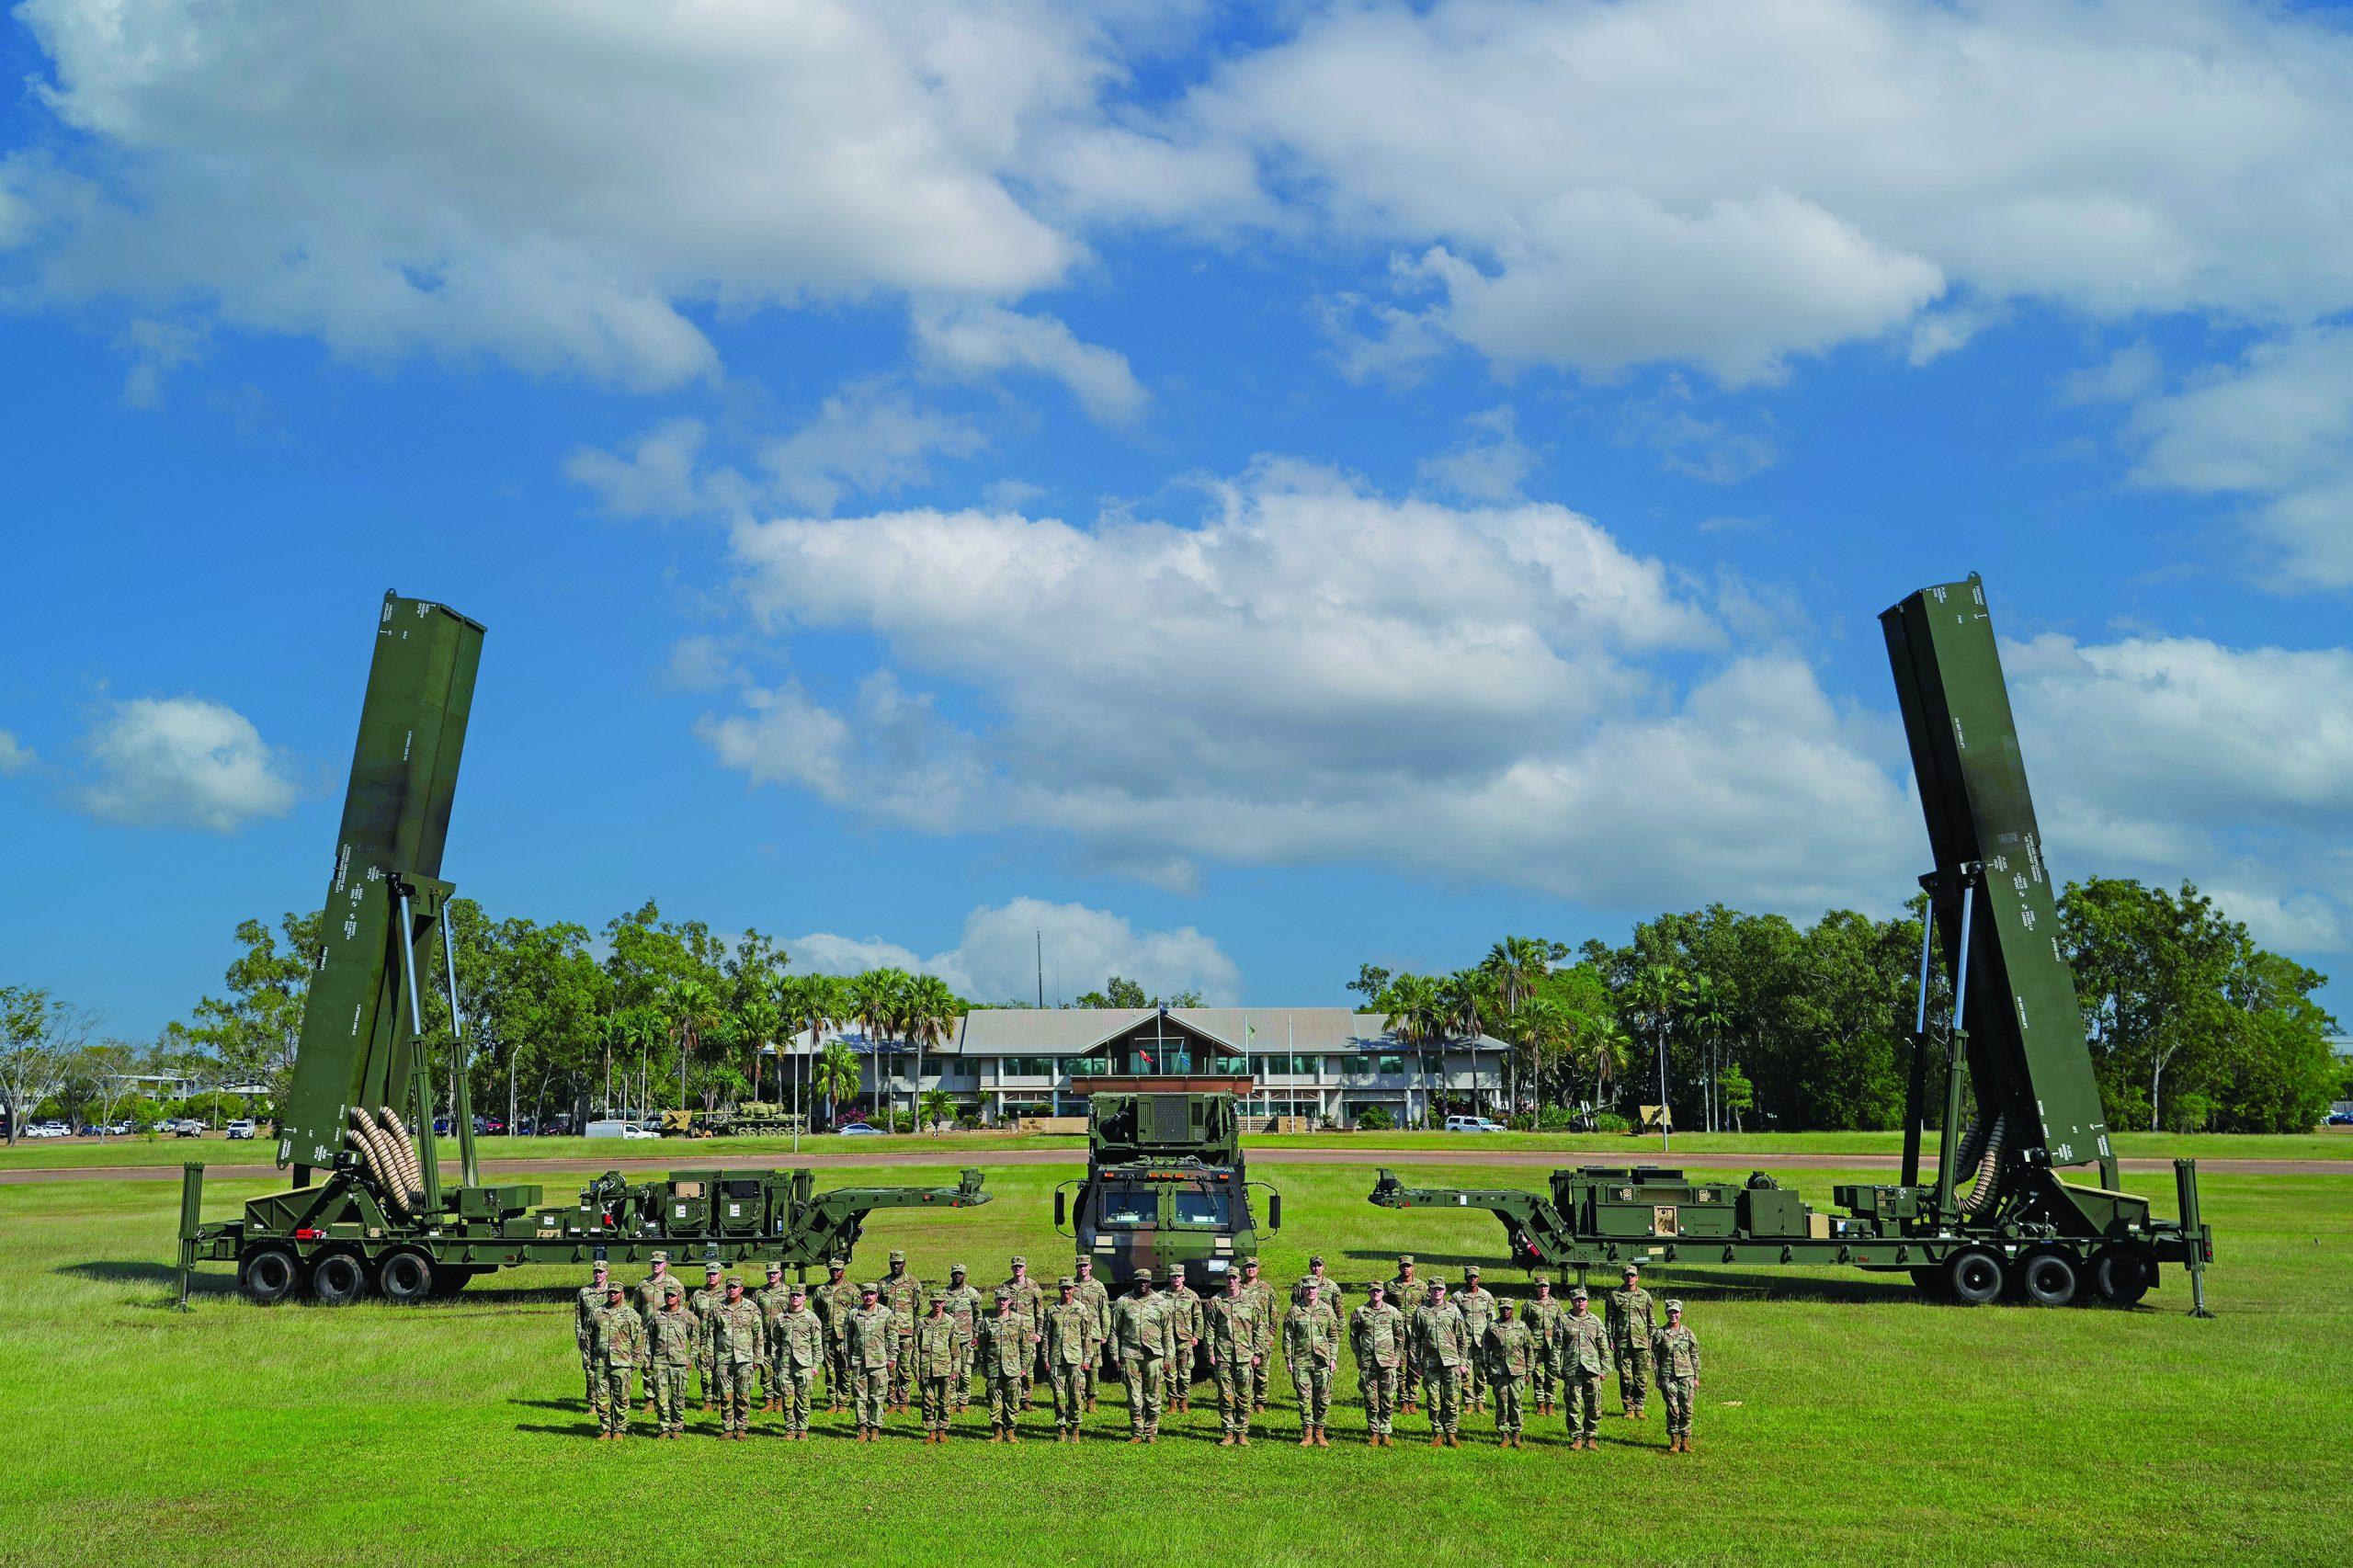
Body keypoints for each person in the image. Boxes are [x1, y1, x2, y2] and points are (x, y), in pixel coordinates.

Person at [1205, 1270, 1264, 1447]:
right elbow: (1210, 1329)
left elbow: (1258, 1327)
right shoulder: (1216, 1301)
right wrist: (1210, 1352)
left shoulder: (1251, 1300)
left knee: (1244, 1396)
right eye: (1228, 1277)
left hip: (1245, 1356)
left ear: (1239, 1279)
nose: (1231, 1280)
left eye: (1234, 1277)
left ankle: (1242, 1433)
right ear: (1224, 1279)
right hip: (1223, 1355)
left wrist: (1258, 1353)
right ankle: (1228, 1433)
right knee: (1225, 1397)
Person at [1110, 1267, 1167, 1443]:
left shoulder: (1160, 1302)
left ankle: (1151, 1433)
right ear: (1134, 1282)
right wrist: (1115, 1355)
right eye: (1139, 1281)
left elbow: (1167, 1332)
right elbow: (1114, 1330)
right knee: (1134, 1396)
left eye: (1146, 1281)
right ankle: (1136, 1432)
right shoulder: (1123, 1301)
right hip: (1130, 1354)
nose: (1143, 1284)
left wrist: (1169, 1357)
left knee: (1153, 1395)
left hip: (1154, 1355)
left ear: (1150, 1283)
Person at [1413, 1277, 1470, 1448]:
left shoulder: (1453, 1310)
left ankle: (1451, 1434)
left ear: (1445, 1291)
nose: (1437, 1292)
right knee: (1433, 1400)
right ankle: (1437, 1433)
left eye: (1440, 1289)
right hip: (1430, 1363)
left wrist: (1463, 1362)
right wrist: (1417, 1363)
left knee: (1452, 1399)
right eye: (1434, 1289)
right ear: (1429, 1291)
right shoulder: (1421, 1312)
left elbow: (1462, 1338)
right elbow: (1415, 1340)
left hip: (1451, 1362)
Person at [1350, 1278, 1406, 1448]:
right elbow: (1353, 1337)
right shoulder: (1360, 1312)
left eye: (1378, 1291)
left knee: (1387, 1399)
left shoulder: (1393, 1312)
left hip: (1388, 1362)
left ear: (1383, 1293)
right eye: (1373, 1291)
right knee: (1371, 1399)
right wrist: (1359, 1357)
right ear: (1368, 1292)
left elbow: (1400, 1337)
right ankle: (1374, 1433)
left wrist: (1397, 1357)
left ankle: (1386, 1432)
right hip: (1368, 1363)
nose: (1376, 1293)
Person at [1554, 1287, 1611, 1451]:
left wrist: (1605, 1369)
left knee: (1594, 1405)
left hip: (1592, 1370)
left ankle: (1591, 1437)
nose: (1580, 1302)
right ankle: (1577, 1437)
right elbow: (1556, 1347)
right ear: (1572, 1301)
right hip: (1571, 1369)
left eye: (1583, 1299)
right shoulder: (1563, 1320)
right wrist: (1556, 1368)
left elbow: (1603, 1347)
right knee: (1574, 1405)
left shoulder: (1595, 1321)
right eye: (1577, 1299)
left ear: (1587, 1302)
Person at [1282, 1280, 1336, 1448]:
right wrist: (1289, 1359)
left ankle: (1319, 1432)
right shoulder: (1294, 1311)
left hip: (1323, 1361)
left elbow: (1333, 1336)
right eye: (1307, 1288)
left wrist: (1333, 1358)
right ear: (1303, 1290)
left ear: (1318, 1290)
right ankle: (1307, 1433)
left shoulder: (1327, 1310)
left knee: (1323, 1398)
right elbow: (1288, 1337)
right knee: (1304, 1398)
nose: (1310, 1291)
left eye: (1313, 1288)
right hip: (1301, 1361)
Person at [588, 1282, 645, 1441]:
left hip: (622, 1362)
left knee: (621, 1397)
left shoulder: (631, 1314)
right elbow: (589, 1337)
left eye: (616, 1292)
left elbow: (638, 1338)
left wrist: (636, 1361)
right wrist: (590, 1358)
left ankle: (619, 1429)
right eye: (610, 1292)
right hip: (601, 1362)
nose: (612, 1295)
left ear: (622, 1294)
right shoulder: (597, 1313)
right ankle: (606, 1429)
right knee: (602, 1397)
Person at [772, 1282, 826, 1440]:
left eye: (798, 1295)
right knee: (788, 1399)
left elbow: (817, 1344)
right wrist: (776, 1364)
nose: (795, 1298)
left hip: (804, 1365)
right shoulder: (780, 1318)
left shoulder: (811, 1318)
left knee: (803, 1398)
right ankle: (790, 1429)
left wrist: (816, 1365)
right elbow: (775, 1344)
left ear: (804, 1298)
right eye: (792, 1295)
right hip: (785, 1365)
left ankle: (802, 1429)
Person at [634, 1251, 686, 1411]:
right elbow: (637, 1309)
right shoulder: (643, 1285)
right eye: (654, 1262)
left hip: (667, 1330)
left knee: (669, 1364)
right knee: (647, 1364)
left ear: (665, 1264)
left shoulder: (675, 1284)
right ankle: (650, 1400)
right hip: (646, 1331)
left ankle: (669, 1398)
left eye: (659, 1263)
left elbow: (681, 1309)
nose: (656, 1265)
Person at [846, 1280, 896, 1441]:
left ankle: (875, 1429)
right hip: (859, 1362)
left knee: (877, 1397)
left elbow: (892, 1336)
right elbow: (848, 1338)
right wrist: (848, 1358)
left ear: (877, 1295)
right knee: (860, 1397)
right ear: (861, 1295)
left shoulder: (885, 1313)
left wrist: (892, 1357)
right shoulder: (854, 1313)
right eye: (865, 1294)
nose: (868, 1297)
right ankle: (862, 1428)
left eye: (871, 1294)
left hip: (879, 1362)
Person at [1606, 1263, 1658, 1420]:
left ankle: (1639, 1407)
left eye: (1632, 1275)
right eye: (1627, 1275)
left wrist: (1652, 1341)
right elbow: (1609, 1320)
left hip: (1641, 1342)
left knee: (1641, 1378)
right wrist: (1610, 1339)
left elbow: (1651, 1321)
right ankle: (1629, 1408)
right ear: (1623, 1277)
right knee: (1626, 1378)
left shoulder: (1645, 1296)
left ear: (1637, 1278)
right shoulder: (1614, 1295)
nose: (1630, 1278)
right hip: (1622, 1343)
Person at [1043, 1276, 1093, 1440]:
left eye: (1068, 1288)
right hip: (1057, 1358)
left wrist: (1087, 1359)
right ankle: (1062, 1428)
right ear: (1059, 1289)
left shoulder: (1081, 1309)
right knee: (1058, 1396)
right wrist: (1045, 1358)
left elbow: (1086, 1336)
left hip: (1075, 1359)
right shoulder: (1052, 1310)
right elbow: (1046, 1336)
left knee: (1076, 1395)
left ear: (1073, 1289)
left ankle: (1075, 1429)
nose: (1066, 1291)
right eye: (1063, 1288)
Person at [912, 1290, 964, 1444]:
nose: (937, 1304)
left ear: (944, 1303)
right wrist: (916, 1369)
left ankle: (942, 1430)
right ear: (930, 1303)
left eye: (940, 1302)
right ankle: (931, 1431)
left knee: (945, 1401)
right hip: (926, 1368)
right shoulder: (922, 1322)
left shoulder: (950, 1322)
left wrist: (955, 1369)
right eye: (934, 1301)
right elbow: (916, 1348)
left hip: (944, 1368)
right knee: (927, 1401)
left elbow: (955, 1349)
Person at [979, 1288, 1030, 1442]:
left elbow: (1025, 1347)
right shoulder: (987, 1321)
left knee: (1013, 1402)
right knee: (995, 1402)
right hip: (994, 1368)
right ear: (995, 1301)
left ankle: (1010, 1432)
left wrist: (1023, 1368)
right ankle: (997, 1433)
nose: (1002, 1302)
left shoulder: (1018, 1320)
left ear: (1010, 1301)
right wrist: (984, 1367)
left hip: (1013, 1368)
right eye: (999, 1299)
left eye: (1005, 1299)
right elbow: (982, 1348)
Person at [646, 1288, 698, 1439]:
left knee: (678, 1397)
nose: (669, 1298)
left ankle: (677, 1428)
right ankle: (663, 1428)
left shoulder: (687, 1316)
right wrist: (648, 1359)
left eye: (672, 1295)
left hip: (679, 1363)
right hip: (660, 1362)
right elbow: (649, 1338)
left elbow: (695, 1340)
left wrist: (690, 1358)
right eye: (667, 1295)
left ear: (679, 1297)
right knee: (661, 1397)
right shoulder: (656, 1315)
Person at [1483, 1297, 1533, 1448]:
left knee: (1516, 1403)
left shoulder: (1521, 1326)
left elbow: (1529, 1350)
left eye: (1508, 1308)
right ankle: (1504, 1435)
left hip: (1518, 1371)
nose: (1505, 1311)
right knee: (1502, 1404)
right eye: (1503, 1308)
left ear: (1513, 1309)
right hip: (1499, 1372)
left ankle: (1516, 1435)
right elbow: (1485, 1349)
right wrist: (1487, 1369)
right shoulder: (1492, 1327)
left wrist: (1529, 1372)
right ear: (1499, 1309)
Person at [1653, 1300, 1702, 1454]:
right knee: (1673, 1409)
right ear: (1666, 1313)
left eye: (1676, 1312)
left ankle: (1685, 1440)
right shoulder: (1660, 1333)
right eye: (1670, 1311)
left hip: (1686, 1376)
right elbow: (1655, 1358)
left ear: (1681, 1313)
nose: (1673, 1315)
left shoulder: (1688, 1333)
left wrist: (1696, 1377)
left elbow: (1694, 1356)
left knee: (1687, 1408)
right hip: (1668, 1376)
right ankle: (1674, 1440)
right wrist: (1657, 1377)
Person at [1385, 1255, 1431, 1413]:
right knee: (1400, 1368)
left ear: (1413, 1267)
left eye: (1408, 1266)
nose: (1406, 1268)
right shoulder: (1390, 1286)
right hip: (1397, 1334)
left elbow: (1428, 1308)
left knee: (1415, 1367)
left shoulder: (1422, 1286)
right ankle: (1403, 1401)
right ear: (1399, 1267)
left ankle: (1413, 1400)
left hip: (1416, 1334)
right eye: (1403, 1266)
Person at [938, 1263, 983, 1414]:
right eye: (955, 1273)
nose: (957, 1276)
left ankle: (963, 1402)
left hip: (966, 1339)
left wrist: (976, 1334)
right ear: (951, 1275)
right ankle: (951, 1401)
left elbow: (978, 1316)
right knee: (950, 1371)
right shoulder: (944, 1294)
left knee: (965, 1372)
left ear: (964, 1275)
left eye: (960, 1273)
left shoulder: (972, 1294)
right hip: (948, 1340)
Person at [818, 1256, 860, 1412]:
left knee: (845, 1370)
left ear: (843, 1271)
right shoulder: (821, 1291)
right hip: (827, 1336)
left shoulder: (852, 1290)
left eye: (838, 1270)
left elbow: (857, 1313)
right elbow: (818, 1312)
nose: (835, 1272)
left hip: (845, 1337)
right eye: (832, 1270)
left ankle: (843, 1402)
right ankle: (832, 1402)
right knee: (830, 1371)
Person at [881, 1248, 922, 1412]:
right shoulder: (883, 1284)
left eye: (899, 1263)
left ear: (904, 1263)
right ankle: (892, 1402)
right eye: (893, 1263)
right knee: (890, 1369)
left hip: (906, 1333)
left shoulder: (913, 1283)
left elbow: (917, 1308)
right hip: (888, 1334)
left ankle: (904, 1402)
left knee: (905, 1369)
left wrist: (916, 1330)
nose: (896, 1266)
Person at [1001, 1256, 1045, 1404]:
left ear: (1025, 1268)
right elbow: (1000, 1310)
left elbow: (1039, 1311)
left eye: (1020, 1266)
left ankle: (1026, 1398)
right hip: (1011, 1333)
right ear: (1012, 1268)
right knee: (1011, 1364)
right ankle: (1011, 1396)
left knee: (1028, 1365)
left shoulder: (1033, 1286)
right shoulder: (1006, 1287)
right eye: (1015, 1266)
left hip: (1029, 1332)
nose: (1018, 1268)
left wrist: (1039, 1332)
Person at [1455, 1265, 1498, 1413]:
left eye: (1474, 1277)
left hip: (1482, 1341)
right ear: (1465, 1278)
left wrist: (1493, 1339)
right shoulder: (1458, 1296)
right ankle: (1468, 1402)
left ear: (1478, 1278)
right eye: (1469, 1277)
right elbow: (1452, 1317)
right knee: (1465, 1372)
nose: (1472, 1279)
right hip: (1464, 1341)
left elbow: (1492, 1318)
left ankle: (1480, 1401)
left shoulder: (1486, 1296)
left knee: (1481, 1372)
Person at [1239, 1256, 1279, 1412]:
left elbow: (1273, 1313)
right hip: (1244, 1336)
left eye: (1253, 1266)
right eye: (1248, 1267)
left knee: (1262, 1371)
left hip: (1263, 1337)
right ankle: (1246, 1401)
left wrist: (1271, 1335)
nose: (1251, 1269)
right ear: (1244, 1269)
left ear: (1258, 1269)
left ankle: (1260, 1401)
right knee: (1245, 1372)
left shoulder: (1267, 1288)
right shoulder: (1239, 1287)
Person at [1073, 1256, 1111, 1411]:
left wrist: (1105, 1333)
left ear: (1090, 1266)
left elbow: (1104, 1311)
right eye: (1080, 1266)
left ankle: (1091, 1399)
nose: (1082, 1268)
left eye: (1085, 1265)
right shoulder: (1071, 1286)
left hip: (1093, 1334)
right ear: (1076, 1267)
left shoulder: (1098, 1286)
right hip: (1075, 1334)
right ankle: (1079, 1398)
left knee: (1093, 1368)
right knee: (1077, 1367)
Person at [754, 1262, 793, 1411]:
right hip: (764, 1337)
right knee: (766, 1369)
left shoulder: (788, 1291)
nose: (772, 1275)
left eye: (775, 1273)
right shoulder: (759, 1293)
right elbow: (754, 1313)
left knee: (782, 1369)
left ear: (780, 1274)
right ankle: (769, 1401)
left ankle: (780, 1400)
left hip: (782, 1338)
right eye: (770, 1273)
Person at [1525, 1276, 1565, 1416]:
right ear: (1536, 1287)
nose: (1543, 1289)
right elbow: (1524, 1326)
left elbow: (1561, 1324)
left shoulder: (1555, 1304)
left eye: (1545, 1286)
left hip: (1552, 1345)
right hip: (1536, 1345)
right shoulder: (1529, 1304)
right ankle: (1540, 1404)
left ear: (1549, 1287)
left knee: (1552, 1374)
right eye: (1540, 1286)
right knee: (1538, 1375)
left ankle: (1550, 1404)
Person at [1163, 1266, 1202, 1411]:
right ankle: (1172, 1403)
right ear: (1170, 1278)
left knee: (1185, 1373)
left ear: (1183, 1278)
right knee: (1170, 1373)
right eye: (1173, 1276)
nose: (1176, 1278)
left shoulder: (1191, 1295)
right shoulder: (1161, 1296)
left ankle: (1184, 1403)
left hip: (1185, 1339)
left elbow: (1198, 1317)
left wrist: (1197, 1335)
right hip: (1168, 1340)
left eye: (1179, 1276)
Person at [689, 1261, 727, 1411]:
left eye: (714, 1274)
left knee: (721, 1372)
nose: (711, 1277)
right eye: (709, 1274)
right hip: (703, 1340)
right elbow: (691, 1318)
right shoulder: (698, 1294)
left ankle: (720, 1400)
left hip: (722, 1341)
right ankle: (707, 1401)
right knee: (705, 1373)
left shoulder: (727, 1293)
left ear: (720, 1275)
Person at [574, 1260, 610, 1407]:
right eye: (595, 1271)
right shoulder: (584, 1292)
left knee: (608, 1371)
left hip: (608, 1337)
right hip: (589, 1338)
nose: (598, 1274)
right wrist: (580, 1337)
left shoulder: (612, 1291)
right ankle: (593, 1404)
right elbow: (579, 1317)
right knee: (590, 1372)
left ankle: (607, 1402)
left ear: (607, 1273)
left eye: (601, 1272)